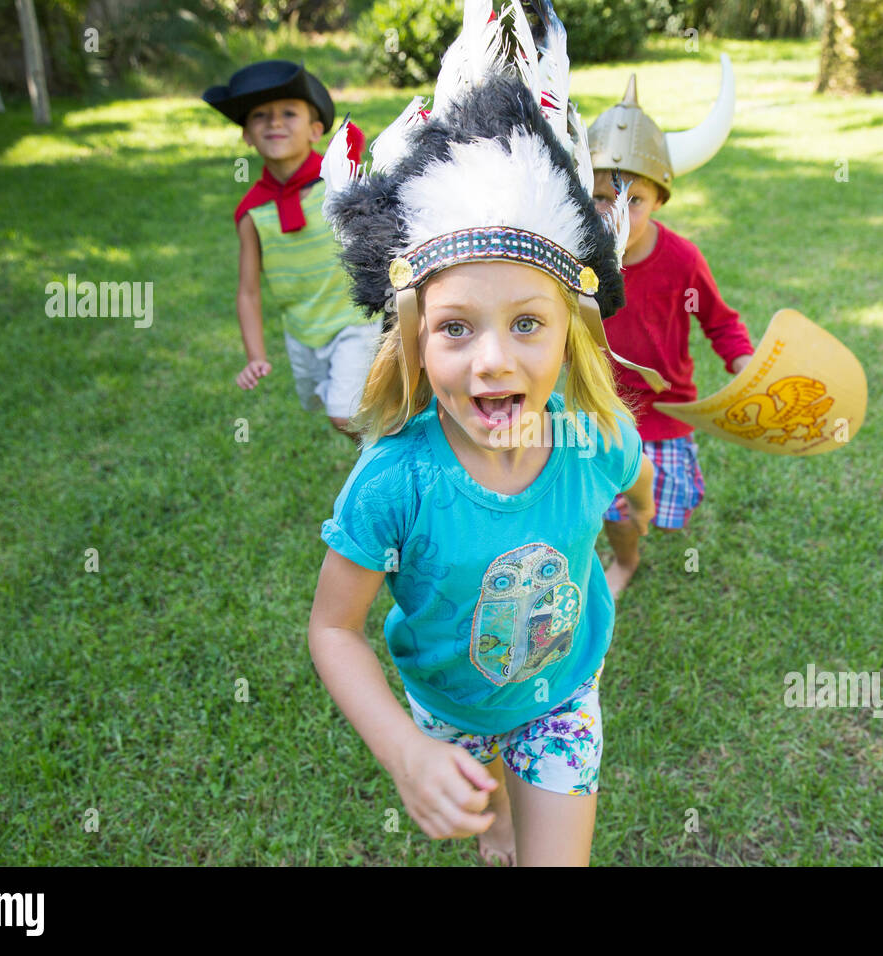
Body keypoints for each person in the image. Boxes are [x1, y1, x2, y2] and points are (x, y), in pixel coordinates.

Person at [306, 0, 667, 866]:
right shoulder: (394, 483)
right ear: (415, 339)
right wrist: (404, 749)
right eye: (457, 328)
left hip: (562, 697)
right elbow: (332, 629)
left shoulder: (594, 437)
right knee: (490, 831)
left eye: (528, 325)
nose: (493, 361)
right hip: (445, 710)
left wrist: (626, 549)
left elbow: (634, 479)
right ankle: (498, 818)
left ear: (571, 330)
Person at [586, 62, 756, 597]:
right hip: (597, 407)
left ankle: (635, 526)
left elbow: (721, 322)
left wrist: (745, 364)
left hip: (666, 411)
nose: (617, 211)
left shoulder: (682, 260)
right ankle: (624, 560)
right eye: (602, 197)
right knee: (611, 508)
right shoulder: (575, 257)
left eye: (634, 199)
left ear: (660, 199)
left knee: (657, 510)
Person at [203, 60, 380, 440]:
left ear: (316, 129)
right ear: (247, 135)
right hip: (302, 333)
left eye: (288, 113)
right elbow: (248, 291)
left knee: (344, 414)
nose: (275, 123)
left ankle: (389, 471)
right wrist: (255, 356)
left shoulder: (338, 183)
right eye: (261, 116)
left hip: (355, 320)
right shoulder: (252, 212)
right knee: (346, 416)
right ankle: (381, 460)